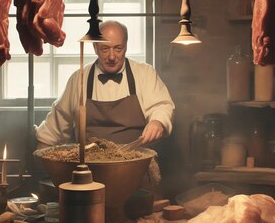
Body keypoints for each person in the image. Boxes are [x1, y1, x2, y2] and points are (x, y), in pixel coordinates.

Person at [36, 20, 175, 148]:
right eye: (105, 49)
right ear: (95, 48)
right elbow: (57, 124)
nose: (112, 56)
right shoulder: (79, 79)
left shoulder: (145, 73)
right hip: (90, 169)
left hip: (135, 166)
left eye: (118, 48)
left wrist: (157, 121)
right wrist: (43, 151)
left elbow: (162, 106)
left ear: (126, 47)